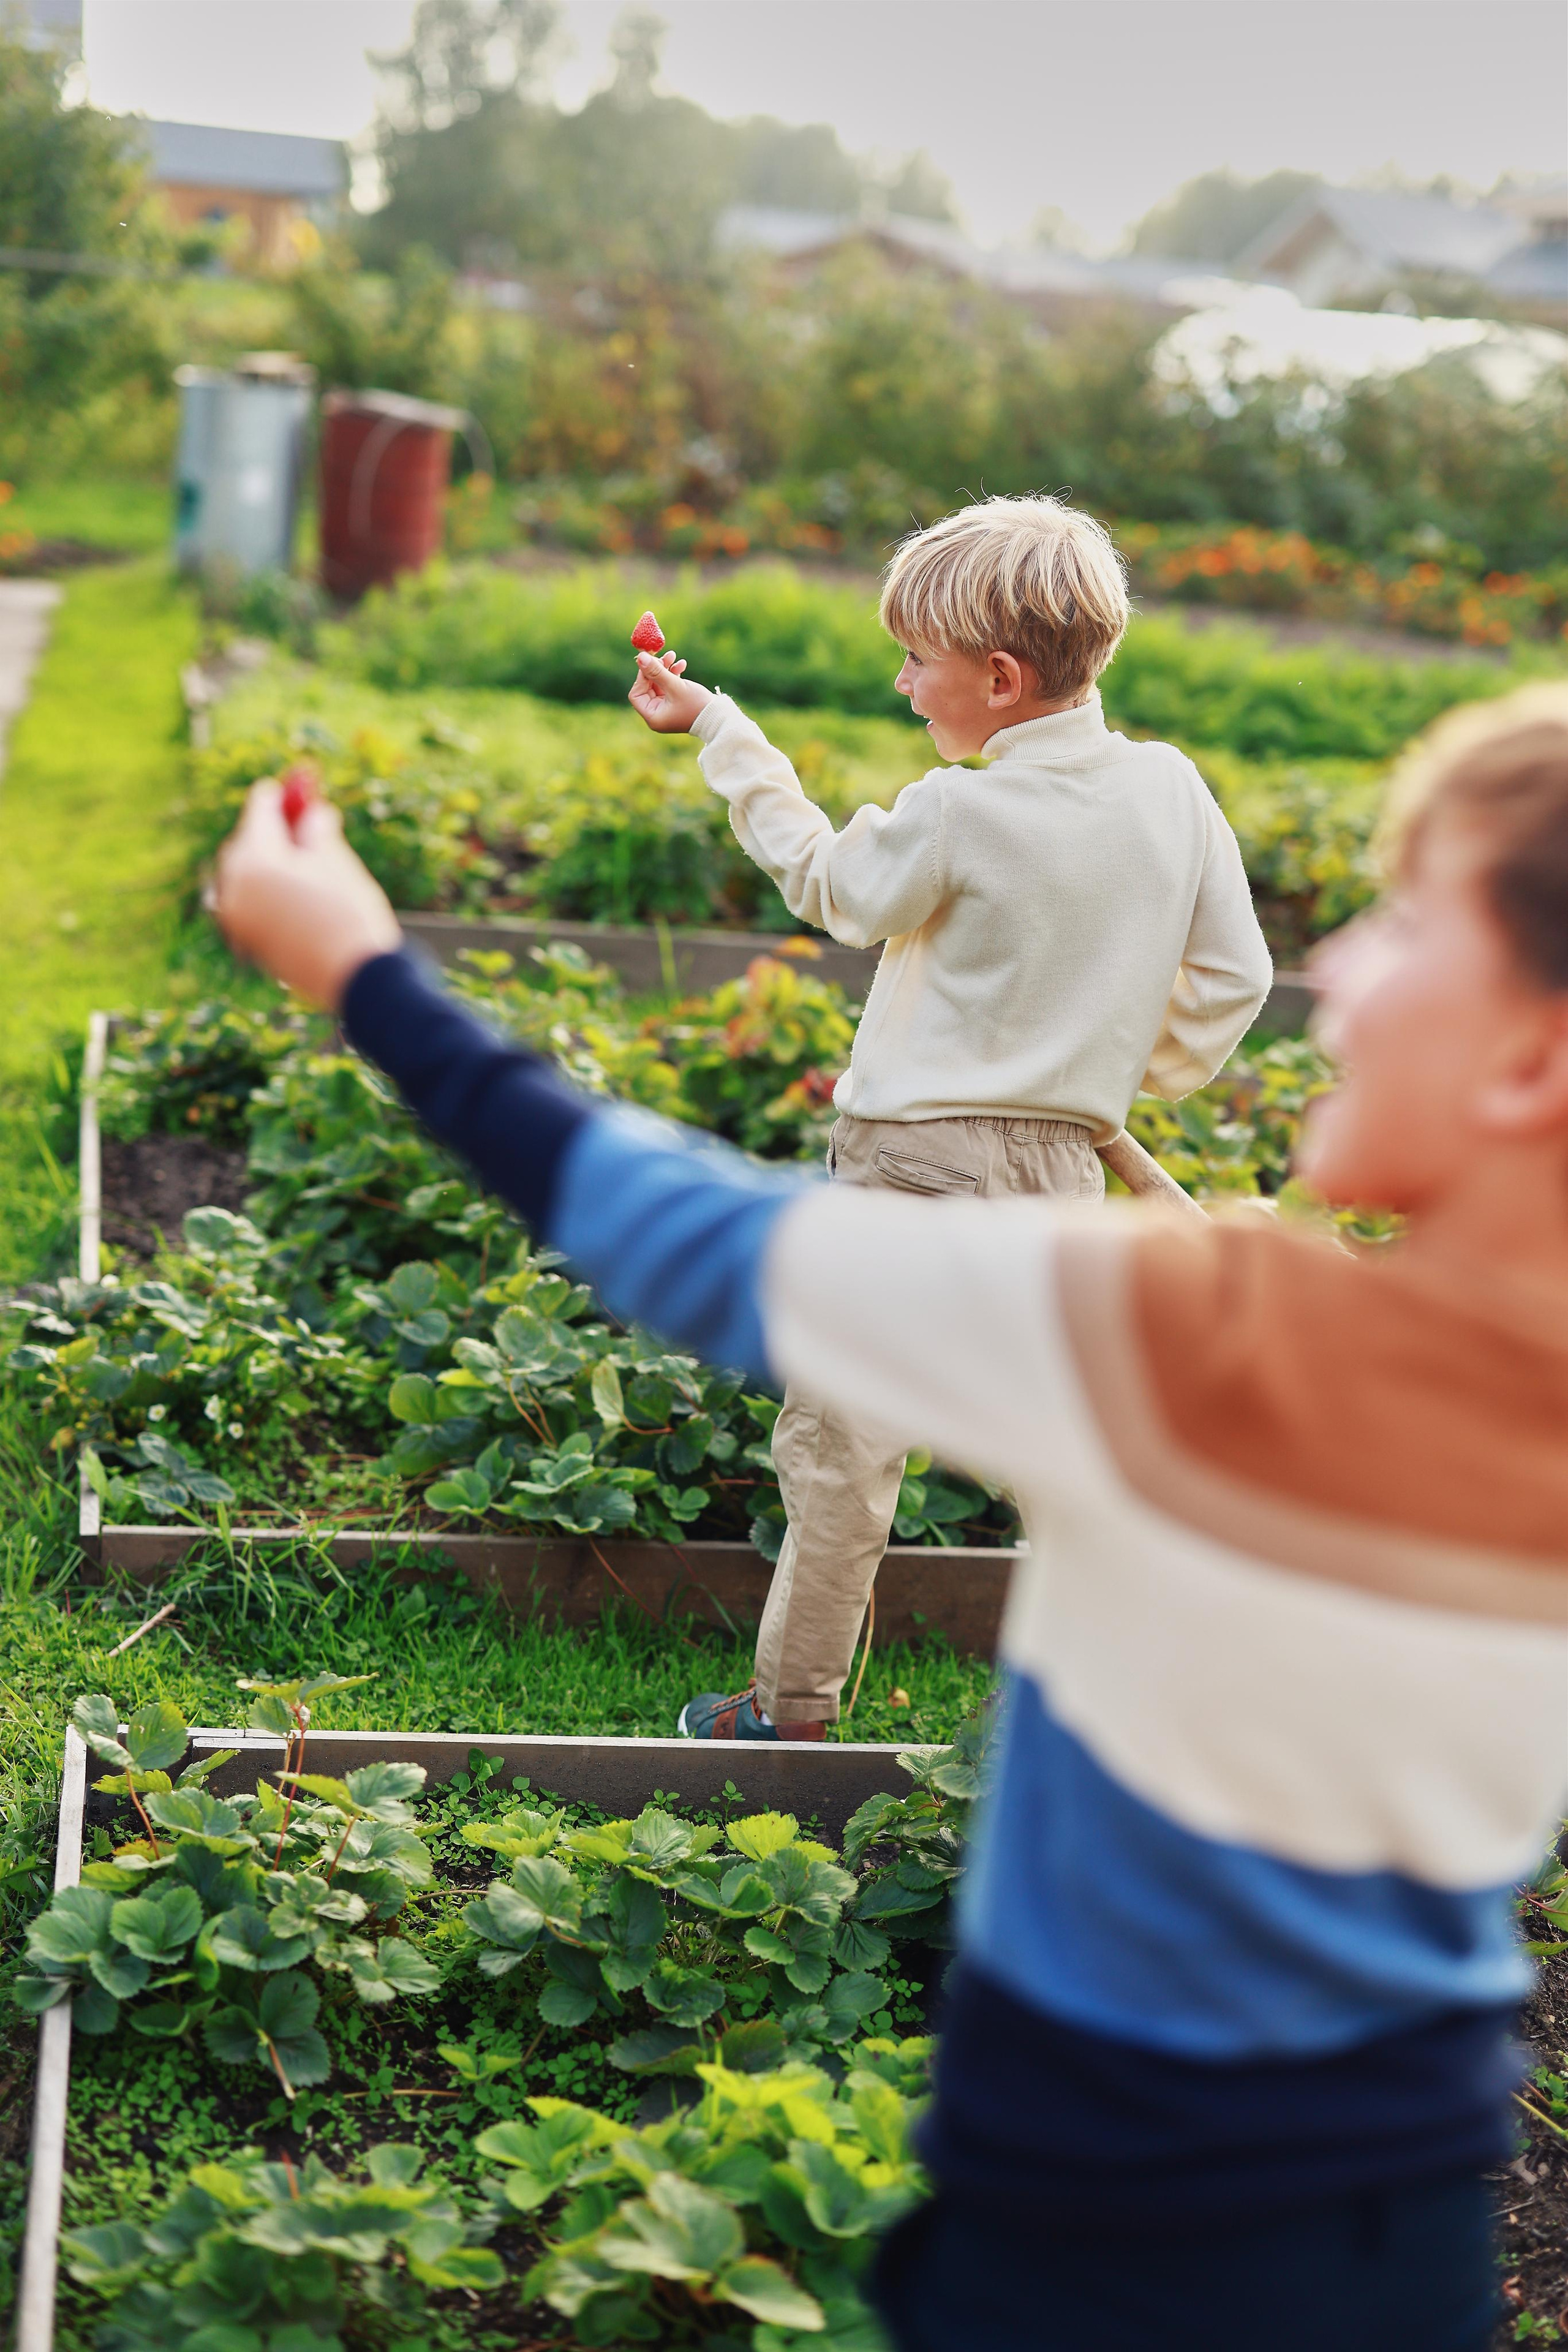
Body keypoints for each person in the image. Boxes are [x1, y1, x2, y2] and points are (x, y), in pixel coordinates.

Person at [216, 679, 1568, 2352]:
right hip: (1411, 2248)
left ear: (1533, 1059)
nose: (1344, 969)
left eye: (1412, 922)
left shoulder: (1221, 1352)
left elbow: (686, 1237)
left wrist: (362, 969)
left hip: (1107, 2233)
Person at [626, 495, 1273, 1740]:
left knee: (844, 1450)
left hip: (910, 1176)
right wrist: (1112, 1071)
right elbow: (1235, 977)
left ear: (996, 676)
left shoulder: (955, 811)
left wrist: (721, 730)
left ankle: (790, 1714)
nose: (899, 682)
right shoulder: (1169, 792)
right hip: (1062, 1175)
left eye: (915, 661)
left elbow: (830, 891)